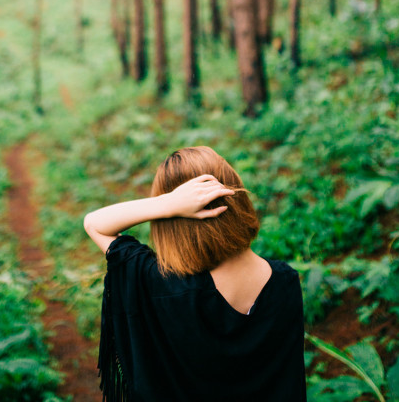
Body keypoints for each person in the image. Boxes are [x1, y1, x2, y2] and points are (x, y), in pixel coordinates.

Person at [84, 146, 307, 401]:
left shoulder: (161, 285)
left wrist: (168, 203)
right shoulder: (286, 281)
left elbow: (94, 224)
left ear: (171, 222)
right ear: (234, 194)